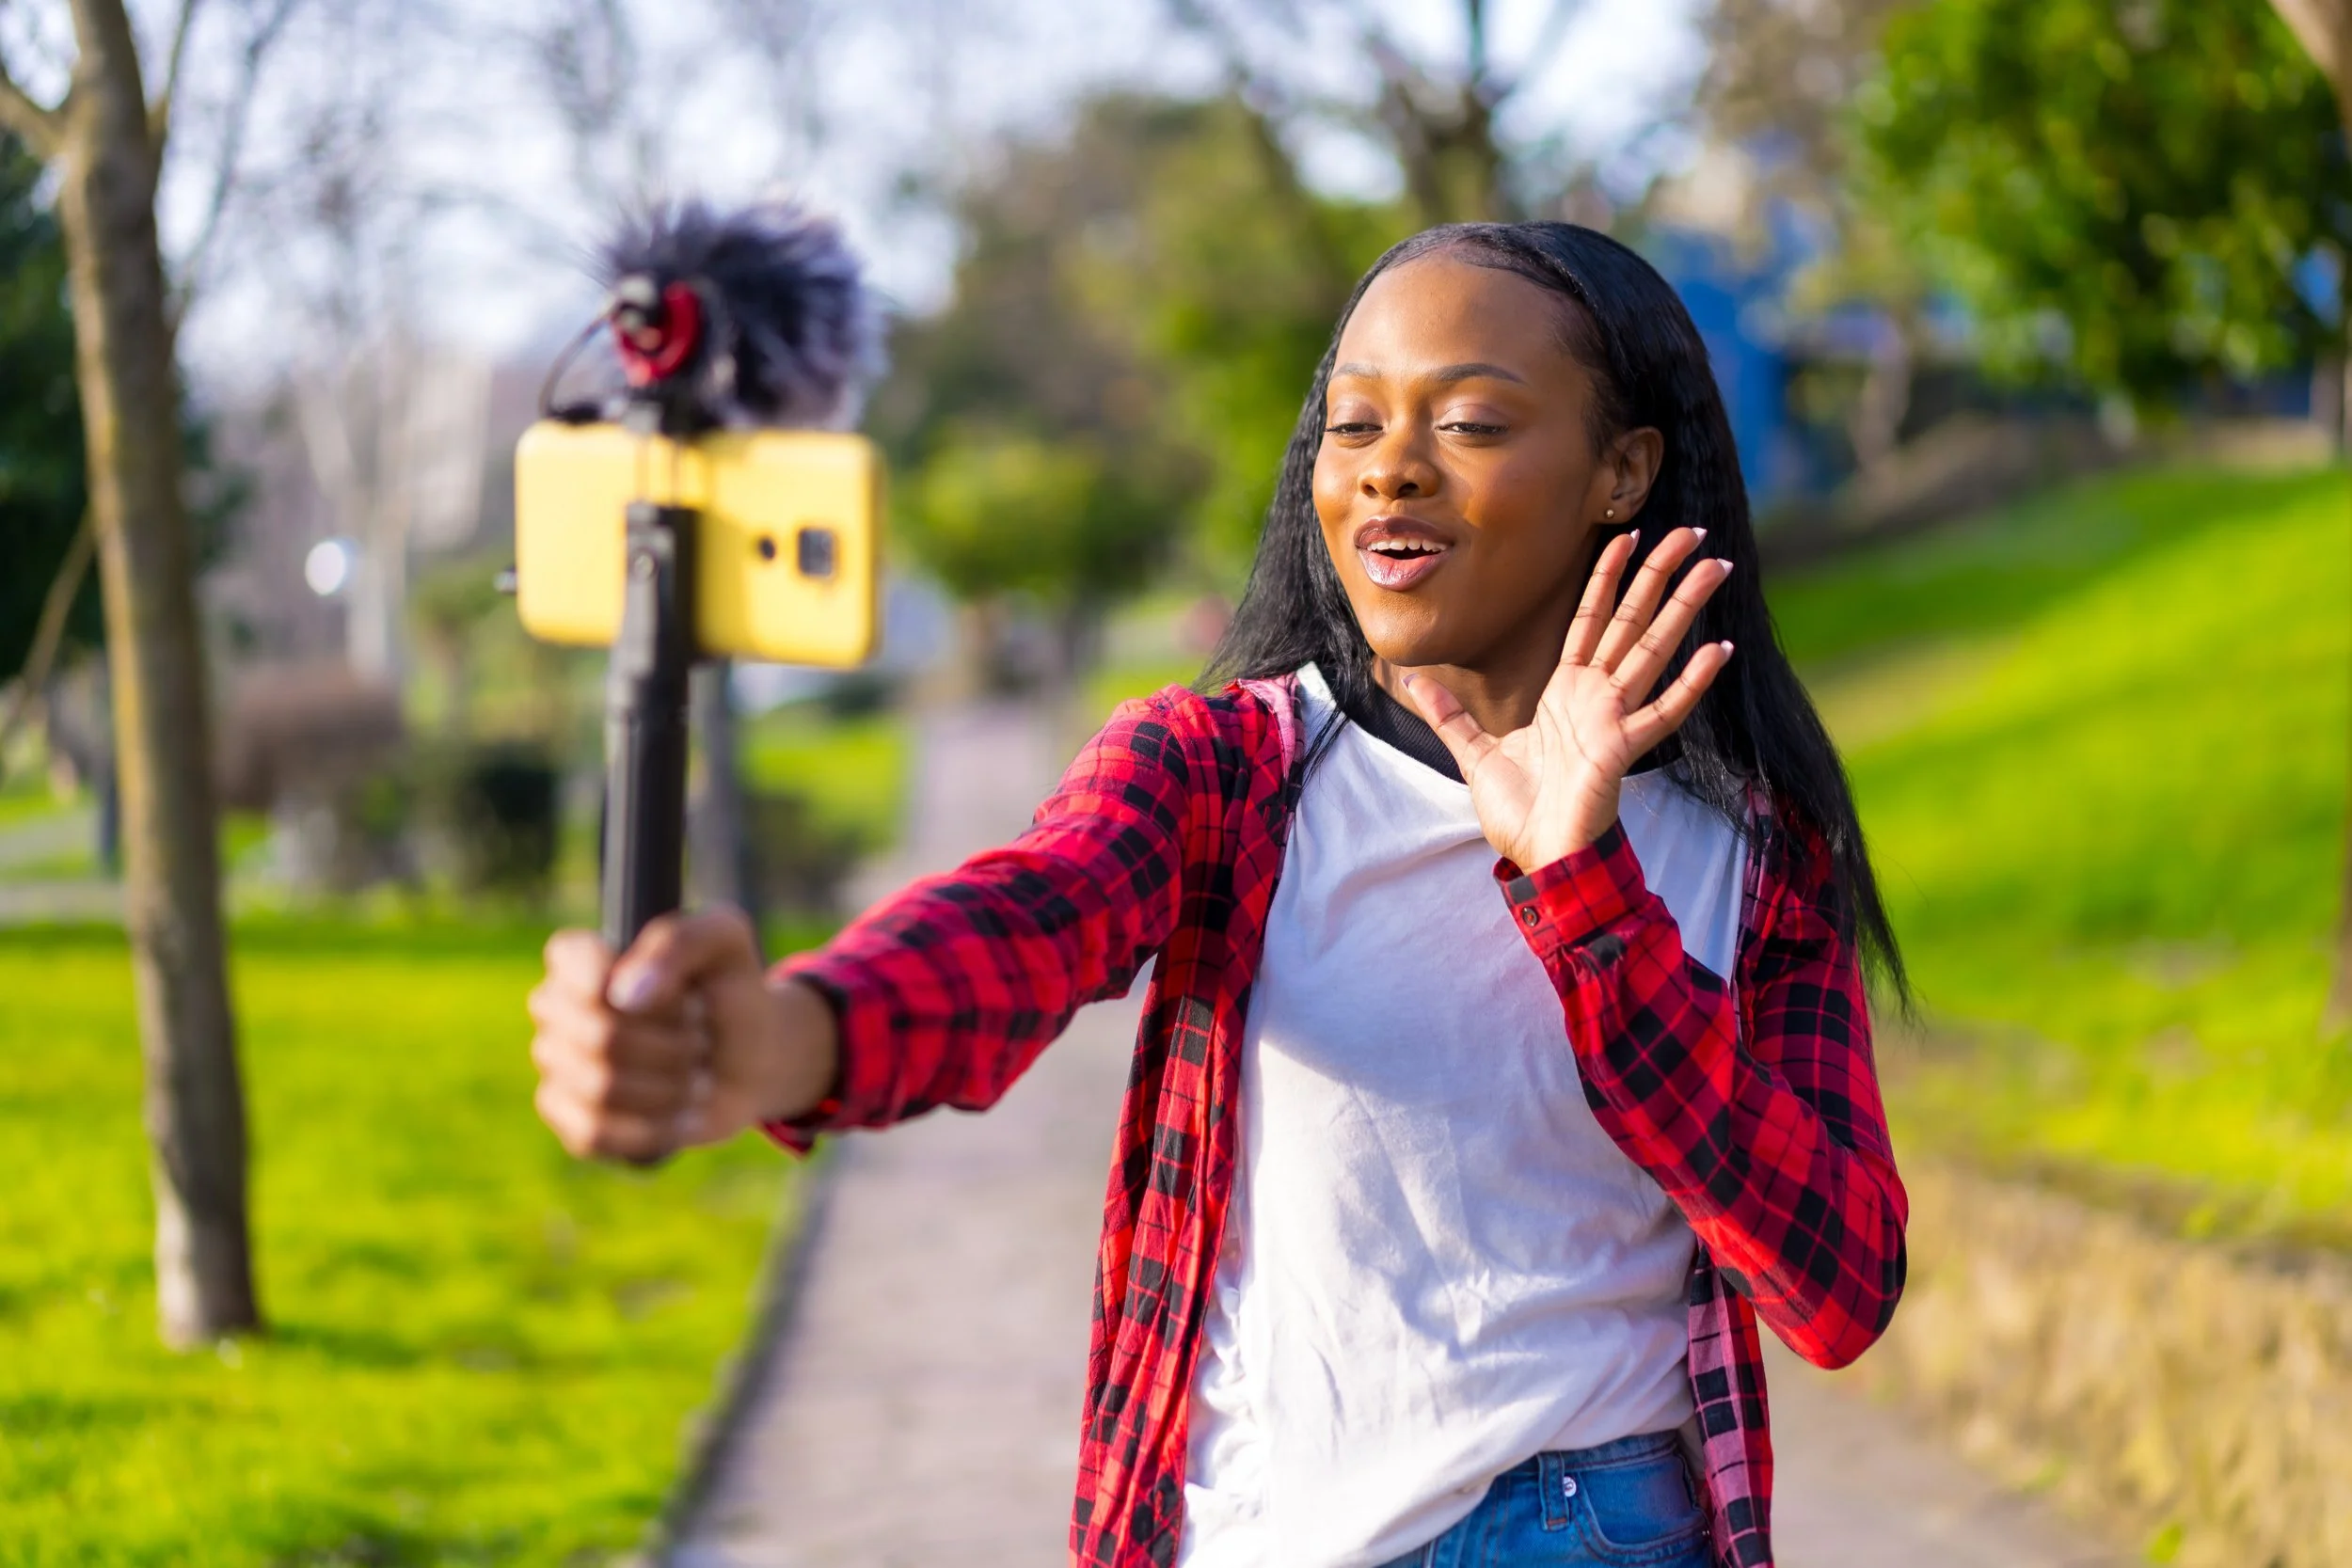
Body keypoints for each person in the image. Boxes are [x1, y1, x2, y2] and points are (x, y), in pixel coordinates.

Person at [526, 221, 1910, 1568]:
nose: (1388, 474)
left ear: (1623, 470)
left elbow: (1836, 1288)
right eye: (1354, 426)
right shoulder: (1228, 772)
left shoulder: (1749, 852)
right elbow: (1024, 921)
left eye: (1471, 425)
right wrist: (787, 1036)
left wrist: (1583, 886)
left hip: (1585, 1525)